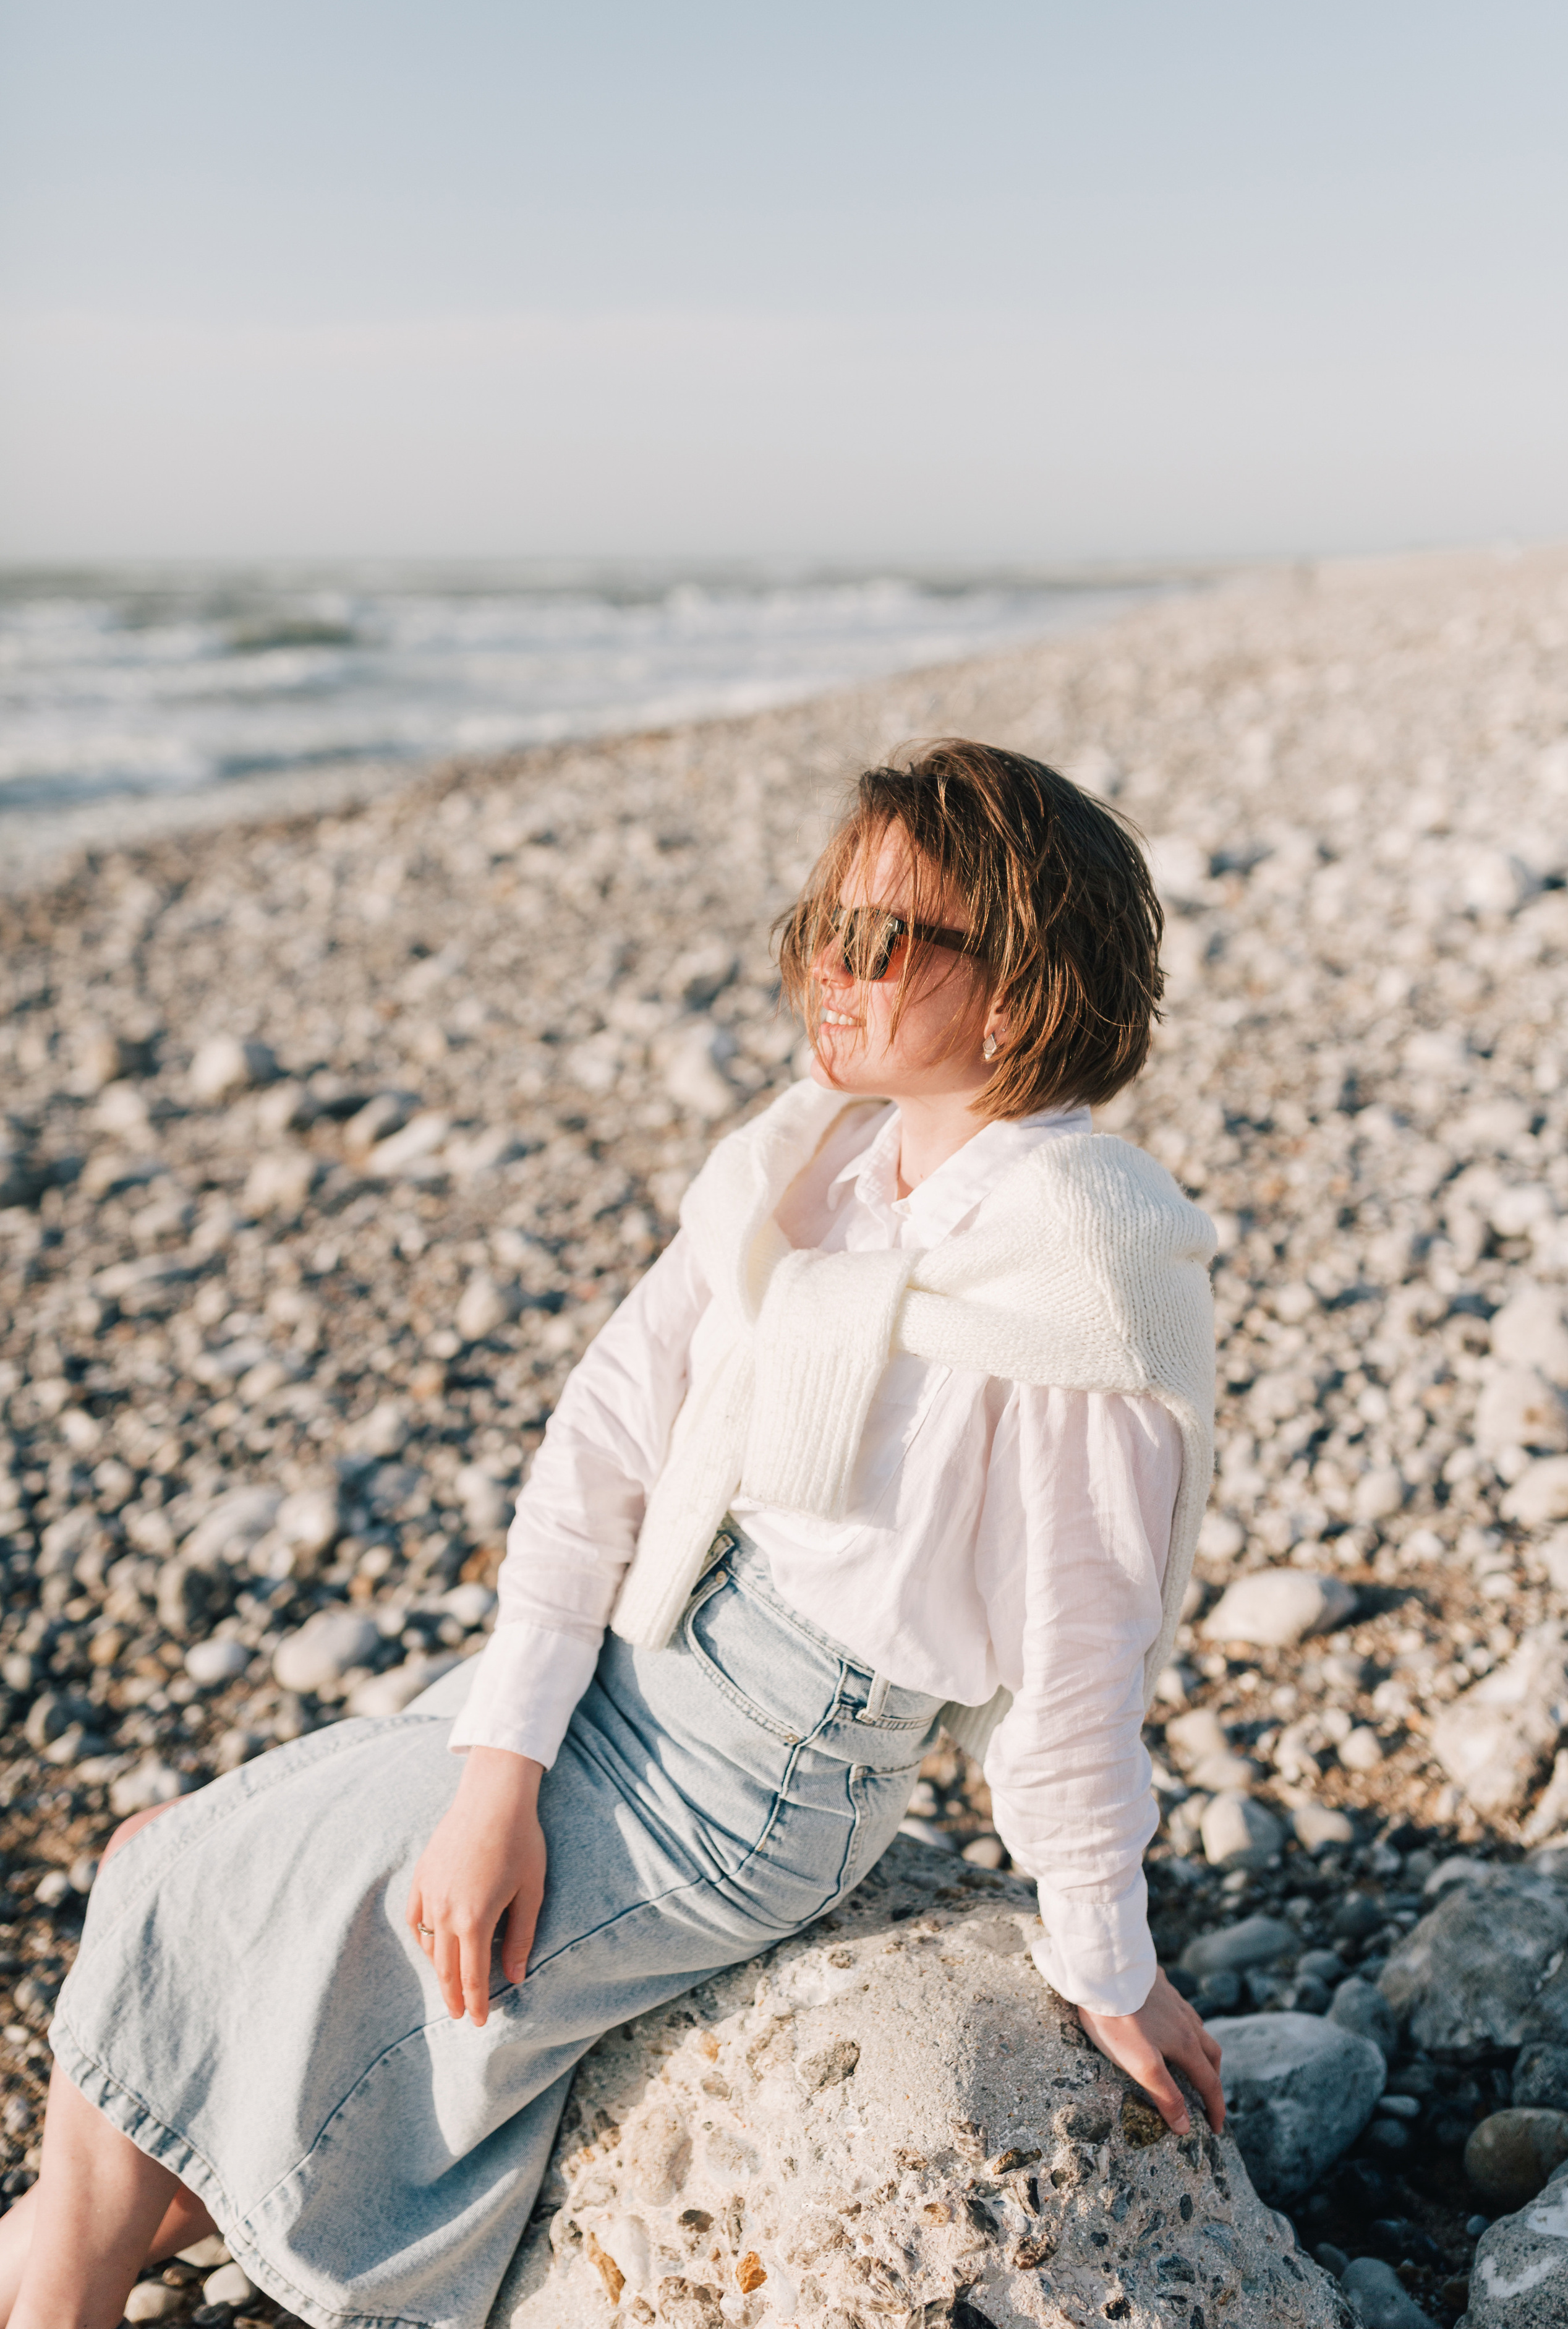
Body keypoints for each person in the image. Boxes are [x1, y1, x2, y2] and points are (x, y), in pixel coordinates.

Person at [3, 737, 1224, 2329]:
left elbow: (1080, 1657)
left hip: (753, 1778)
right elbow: (604, 1440)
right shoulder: (811, 1166)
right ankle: (92, 2243)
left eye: (877, 939)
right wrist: (496, 1777)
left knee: (167, 1898)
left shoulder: (1078, 1264)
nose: (826, 971)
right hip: (637, 1658)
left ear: (1016, 987)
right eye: (817, 927)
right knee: (162, 1869)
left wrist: (1107, 1960)